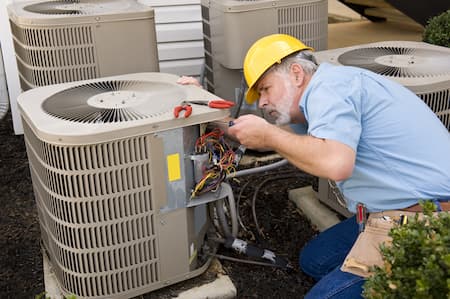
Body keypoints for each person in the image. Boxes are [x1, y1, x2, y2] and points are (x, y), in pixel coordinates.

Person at [224, 34, 450, 298]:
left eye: (265, 88)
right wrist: (215, 119)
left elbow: (335, 164)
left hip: (425, 218)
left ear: (296, 74)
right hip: (396, 209)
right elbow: (273, 138)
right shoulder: (330, 88)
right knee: (314, 260)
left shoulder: (329, 89)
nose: (262, 102)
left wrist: (269, 135)